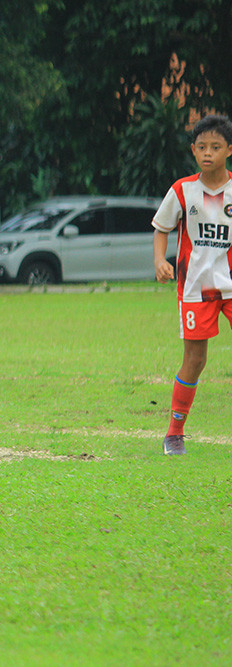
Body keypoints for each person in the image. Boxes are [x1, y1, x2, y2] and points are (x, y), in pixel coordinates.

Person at [151, 113, 232, 456]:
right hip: (195, 289)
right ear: (193, 151)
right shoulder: (182, 190)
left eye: (215, 146)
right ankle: (174, 433)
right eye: (202, 147)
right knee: (195, 360)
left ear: (229, 149)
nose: (208, 152)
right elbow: (161, 228)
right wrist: (159, 259)